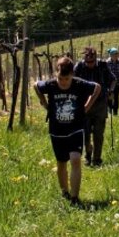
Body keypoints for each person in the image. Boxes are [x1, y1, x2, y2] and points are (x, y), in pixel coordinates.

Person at [35, 56, 100, 205]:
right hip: (57, 130)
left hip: (76, 128)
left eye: (67, 79)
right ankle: (64, 191)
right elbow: (36, 86)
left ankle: (75, 197)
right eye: (60, 79)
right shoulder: (50, 85)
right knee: (61, 163)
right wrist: (44, 102)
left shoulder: (79, 84)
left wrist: (87, 107)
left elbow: (97, 87)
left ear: (72, 74)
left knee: (76, 160)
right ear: (56, 74)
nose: (63, 82)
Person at [74, 47, 114, 166]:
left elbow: (113, 79)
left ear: (95, 58)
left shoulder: (103, 65)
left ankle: (97, 159)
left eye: (91, 62)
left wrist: (111, 91)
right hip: (84, 104)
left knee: (98, 133)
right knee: (85, 133)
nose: (89, 64)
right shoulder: (79, 67)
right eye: (87, 62)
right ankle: (87, 156)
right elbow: (72, 81)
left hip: (100, 104)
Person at [106, 47, 119, 116]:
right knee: (109, 96)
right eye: (115, 54)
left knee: (116, 97)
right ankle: (109, 108)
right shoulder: (107, 62)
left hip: (117, 83)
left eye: (117, 54)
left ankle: (115, 111)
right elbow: (105, 73)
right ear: (111, 55)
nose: (116, 55)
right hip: (109, 83)